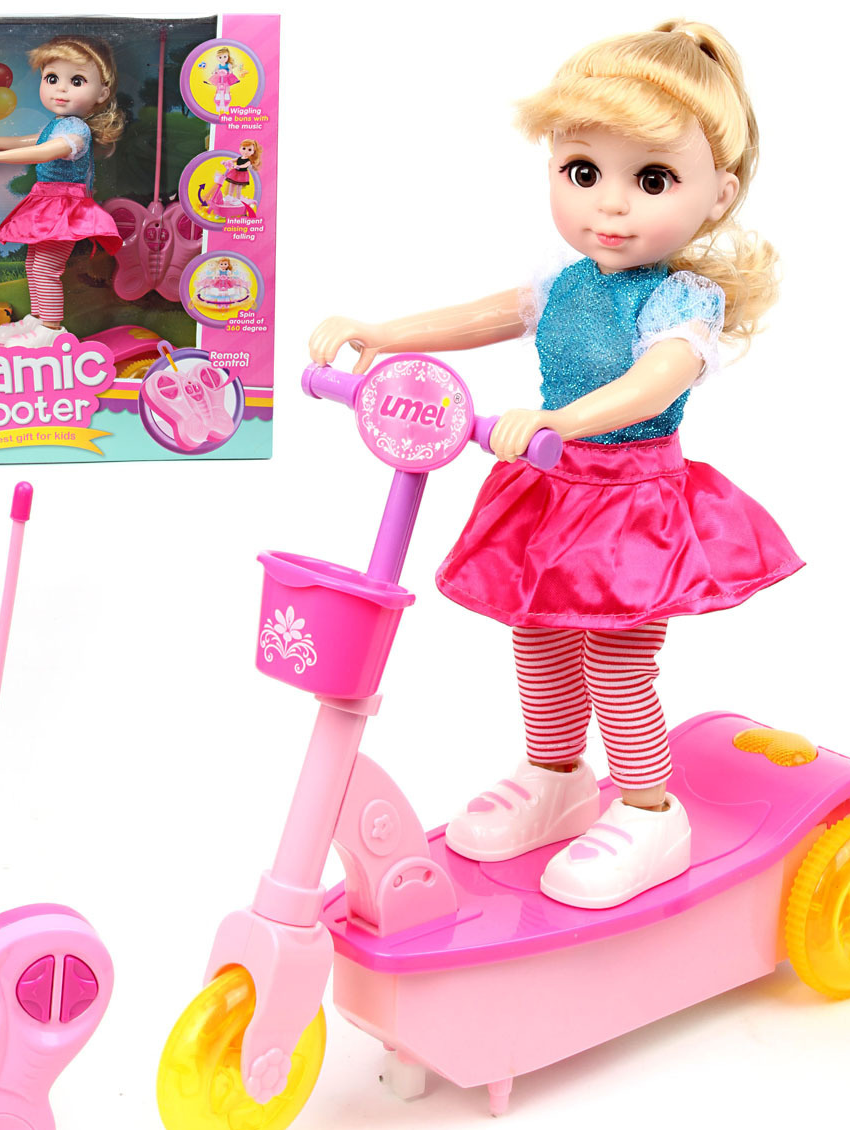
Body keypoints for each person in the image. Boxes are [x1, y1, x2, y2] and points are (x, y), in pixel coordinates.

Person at [308, 20, 802, 909]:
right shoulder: (566, 282)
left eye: (652, 179)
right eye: (583, 172)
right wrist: (384, 332)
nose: (610, 206)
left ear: (718, 194)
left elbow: (657, 383)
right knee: (535, 637)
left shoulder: (681, 297)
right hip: (552, 493)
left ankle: (650, 811)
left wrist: (562, 419)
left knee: (617, 662)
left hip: (633, 508)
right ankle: (557, 775)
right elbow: (485, 315)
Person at [0, 35, 124, 347]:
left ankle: (51, 328)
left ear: (102, 92)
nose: (61, 89)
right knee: (33, 264)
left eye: (76, 81)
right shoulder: (57, 124)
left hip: (65, 209)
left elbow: (44, 151)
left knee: (47, 268)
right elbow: (28, 141)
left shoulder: (76, 131)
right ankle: (38, 319)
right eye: (52, 78)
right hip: (48, 204)